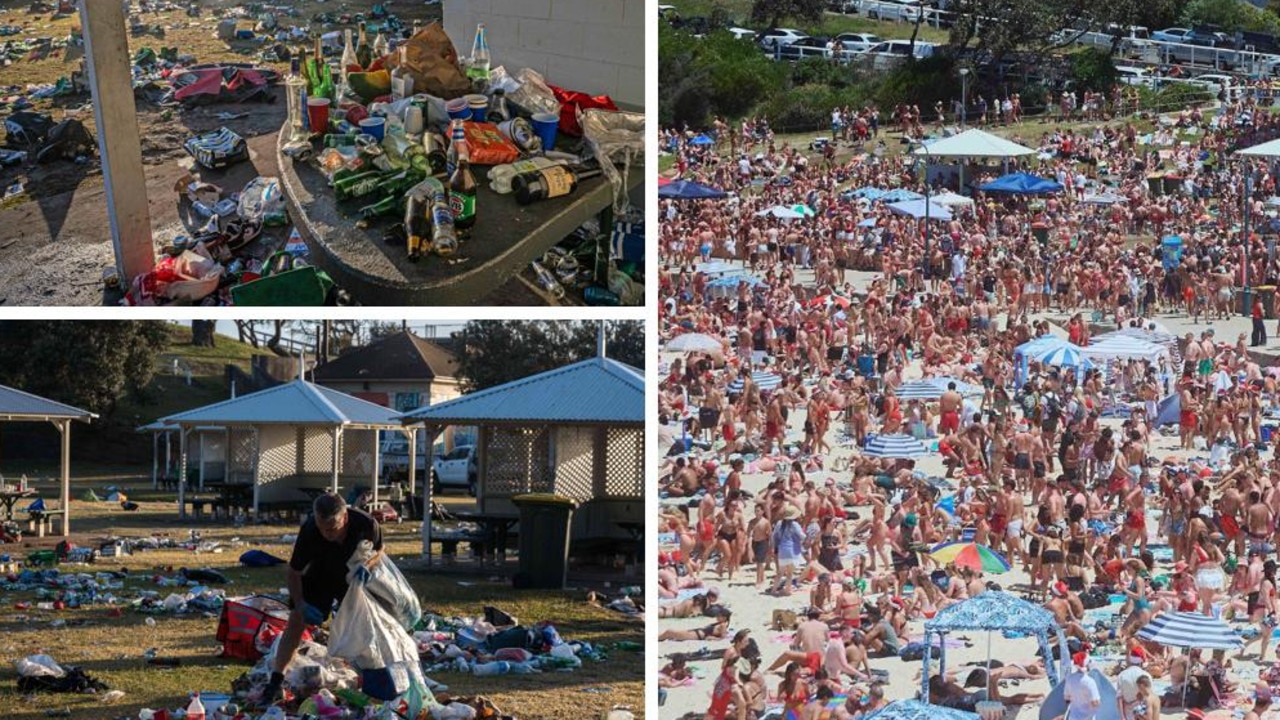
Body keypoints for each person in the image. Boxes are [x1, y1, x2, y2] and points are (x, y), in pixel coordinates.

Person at [261, 493, 383, 706]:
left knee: (365, 626)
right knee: (296, 622)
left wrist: (368, 565)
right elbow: (294, 572)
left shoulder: (366, 524)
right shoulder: (310, 530)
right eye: (321, 527)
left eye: (331, 528)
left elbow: (380, 550)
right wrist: (300, 604)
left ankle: (374, 680)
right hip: (320, 575)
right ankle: (275, 681)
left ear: (344, 518)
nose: (326, 533)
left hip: (352, 577)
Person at [1062, 651, 1100, 720]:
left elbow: (1067, 699)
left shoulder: (1070, 679)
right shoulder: (1090, 682)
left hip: (1073, 717)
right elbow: (1095, 702)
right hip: (1088, 717)